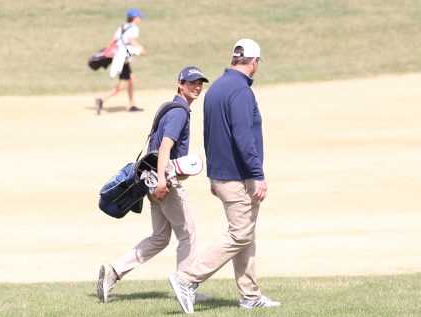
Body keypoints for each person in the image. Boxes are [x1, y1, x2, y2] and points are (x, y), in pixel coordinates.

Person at [168, 39, 281, 314]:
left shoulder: (216, 87)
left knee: (246, 234)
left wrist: (212, 176)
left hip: (222, 174)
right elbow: (243, 137)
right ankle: (186, 279)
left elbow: (211, 136)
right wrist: (258, 174)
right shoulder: (241, 91)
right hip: (238, 176)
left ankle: (250, 295)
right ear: (253, 62)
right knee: (240, 234)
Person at [97, 66, 211, 304]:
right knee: (188, 234)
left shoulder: (167, 106)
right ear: (180, 84)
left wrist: (155, 182)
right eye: (192, 82)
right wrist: (162, 181)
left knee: (160, 237)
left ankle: (114, 271)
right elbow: (165, 148)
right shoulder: (180, 112)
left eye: (200, 83)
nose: (197, 86)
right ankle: (186, 286)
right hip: (164, 182)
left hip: (151, 181)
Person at [95, 8, 146, 115]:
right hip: (122, 59)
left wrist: (107, 51)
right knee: (122, 86)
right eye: (139, 17)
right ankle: (101, 100)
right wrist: (141, 48)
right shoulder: (133, 28)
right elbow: (131, 40)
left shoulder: (122, 27)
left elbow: (113, 40)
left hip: (119, 57)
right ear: (134, 18)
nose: (140, 18)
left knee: (131, 79)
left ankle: (132, 104)